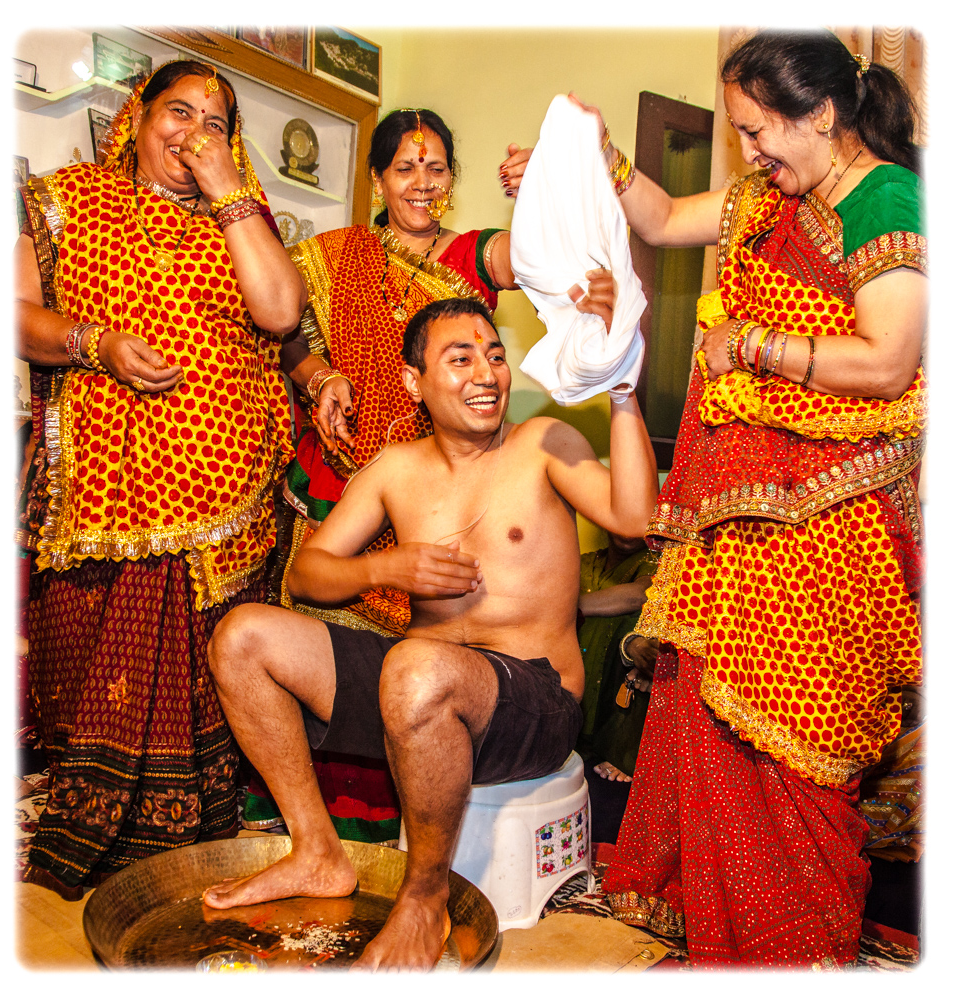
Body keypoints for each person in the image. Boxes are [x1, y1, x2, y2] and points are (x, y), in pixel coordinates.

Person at [571, 30, 926, 967]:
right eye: (738, 136)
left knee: (798, 758)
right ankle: (732, 953)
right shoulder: (760, 201)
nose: (750, 154)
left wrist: (753, 344)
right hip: (735, 530)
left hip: (831, 531)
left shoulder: (887, 196)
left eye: (758, 132)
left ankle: (797, 954)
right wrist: (592, 151)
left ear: (819, 113)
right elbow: (654, 218)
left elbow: (888, 362)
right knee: (715, 730)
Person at [201, 295, 658, 969]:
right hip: (415, 689)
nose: (486, 374)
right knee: (242, 637)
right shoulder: (395, 469)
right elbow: (307, 574)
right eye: (461, 357)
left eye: (495, 356)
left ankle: (424, 896)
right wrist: (390, 564)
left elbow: (633, 517)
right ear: (415, 383)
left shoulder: (542, 445)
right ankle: (315, 850)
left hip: (532, 703)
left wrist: (622, 393)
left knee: (417, 668)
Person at [14, 60, 306, 899]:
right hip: (109, 486)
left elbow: (281, 313)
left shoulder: (235, 219)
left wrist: (232, 193)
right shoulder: (71, 198)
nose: (193, 132)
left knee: (207, 668)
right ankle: (91, 829)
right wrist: (95, 345)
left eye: (215, 122)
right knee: (104, 663)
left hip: (226, 492)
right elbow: (16, 313)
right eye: (178, 112)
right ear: (136, 120)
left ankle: (195, 838)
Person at [241, 108, 526, 842]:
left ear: (453, 180)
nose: (421, 184)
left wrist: (541, 191)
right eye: (405, 168)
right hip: (338, 486)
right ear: (377, 177)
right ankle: (307, 824)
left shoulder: (466, 257)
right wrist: (317, 375)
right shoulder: (332, 255)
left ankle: (398, 821)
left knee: (411, 665)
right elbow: (280, 329)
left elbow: (533, 255)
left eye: (436, 169)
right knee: (318, 646)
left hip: (432, 493)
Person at [576, 533, 658, 783]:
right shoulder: (583, 561)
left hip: (614, 714)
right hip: (568, 696)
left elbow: (639, 595)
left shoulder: (656, 562)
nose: (627, 531)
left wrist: (563, 607)